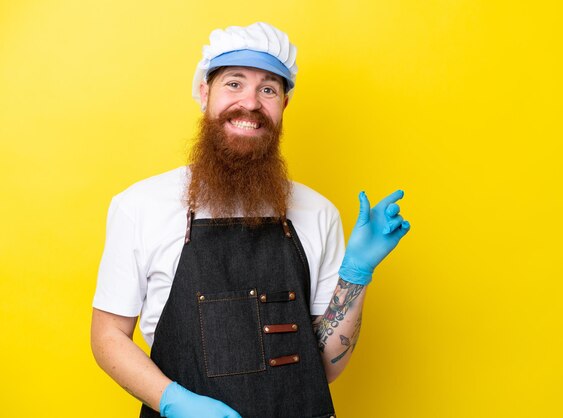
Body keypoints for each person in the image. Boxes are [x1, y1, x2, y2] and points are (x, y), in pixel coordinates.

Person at [91, 22, 410, 418]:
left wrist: (356, 274)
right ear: (204, 93)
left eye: (268, 89)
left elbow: (325, 367)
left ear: (283, 105)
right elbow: (107, 336)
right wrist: (174, 402)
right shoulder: (140, 206)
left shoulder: (318, 213)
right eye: (234, 83)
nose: (251, 103)